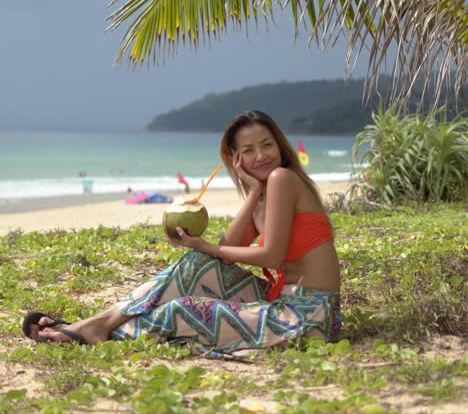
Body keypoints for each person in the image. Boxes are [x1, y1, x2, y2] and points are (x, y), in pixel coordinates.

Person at [22, 110, 341, 360]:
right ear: (235, 158)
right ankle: (100, 322)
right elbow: (226, 249)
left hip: (307, 317)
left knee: (182, 310)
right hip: (282, 300)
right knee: (196, 264)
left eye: (267, 145)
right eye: (248, 150)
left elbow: (269, 256)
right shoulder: (265, 191)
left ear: (280, 145)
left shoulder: (284, 179)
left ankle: (98, 331)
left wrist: (206, 244)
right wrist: (253, 191)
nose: (261, 156)